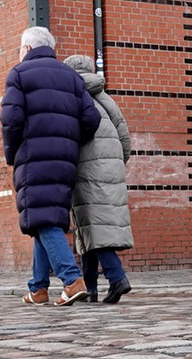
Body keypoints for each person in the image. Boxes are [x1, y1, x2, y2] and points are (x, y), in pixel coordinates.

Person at [1, 27, 101, 306]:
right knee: (44, 218)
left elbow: (11, 120)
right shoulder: (71, 76)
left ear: (28, 48)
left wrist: (12, 155)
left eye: (20, 48)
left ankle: (71, 280)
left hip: (33, 157)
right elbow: (91, 119)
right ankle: (38, 288)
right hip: (65, 157)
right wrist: (69, 141)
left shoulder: (19, 74)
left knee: (43, 219)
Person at [63, 55, 134, 304]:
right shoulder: (107, 99)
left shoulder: (71, 99)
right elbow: (125, 137)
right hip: (110, 169)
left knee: (92, 226)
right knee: (90, 227)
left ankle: (117, 278)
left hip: (86, 170)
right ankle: (90, 288)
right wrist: (114, 164)